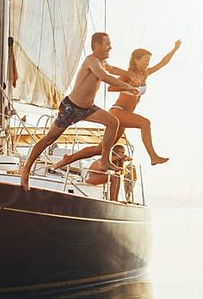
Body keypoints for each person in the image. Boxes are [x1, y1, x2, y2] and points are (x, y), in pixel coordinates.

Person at [20, 32, 139, 191]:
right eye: (107, 44)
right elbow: (103, 76)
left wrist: (130, 75)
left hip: (88, 109)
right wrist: (127, 87)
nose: (110, 47)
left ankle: (105, 160)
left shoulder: (101, 62)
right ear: (96, 45)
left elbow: (112, 70)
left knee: (113, 122)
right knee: (49, 139)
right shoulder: (91, 61)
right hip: (71, 108)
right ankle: (26, 169)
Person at [54, 40, 181, 169]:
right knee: (145, 123)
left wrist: (175, 49)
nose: (147, 64)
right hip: (118, 111)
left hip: (126, 116)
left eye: (148, 62)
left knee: (100, 149)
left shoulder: (145, 74)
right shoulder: (128, 75)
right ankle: (153, 157)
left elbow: (162, 63)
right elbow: (110, 88)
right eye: (144, 61)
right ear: (136, 60)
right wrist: (127, 88)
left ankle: (68, 159)